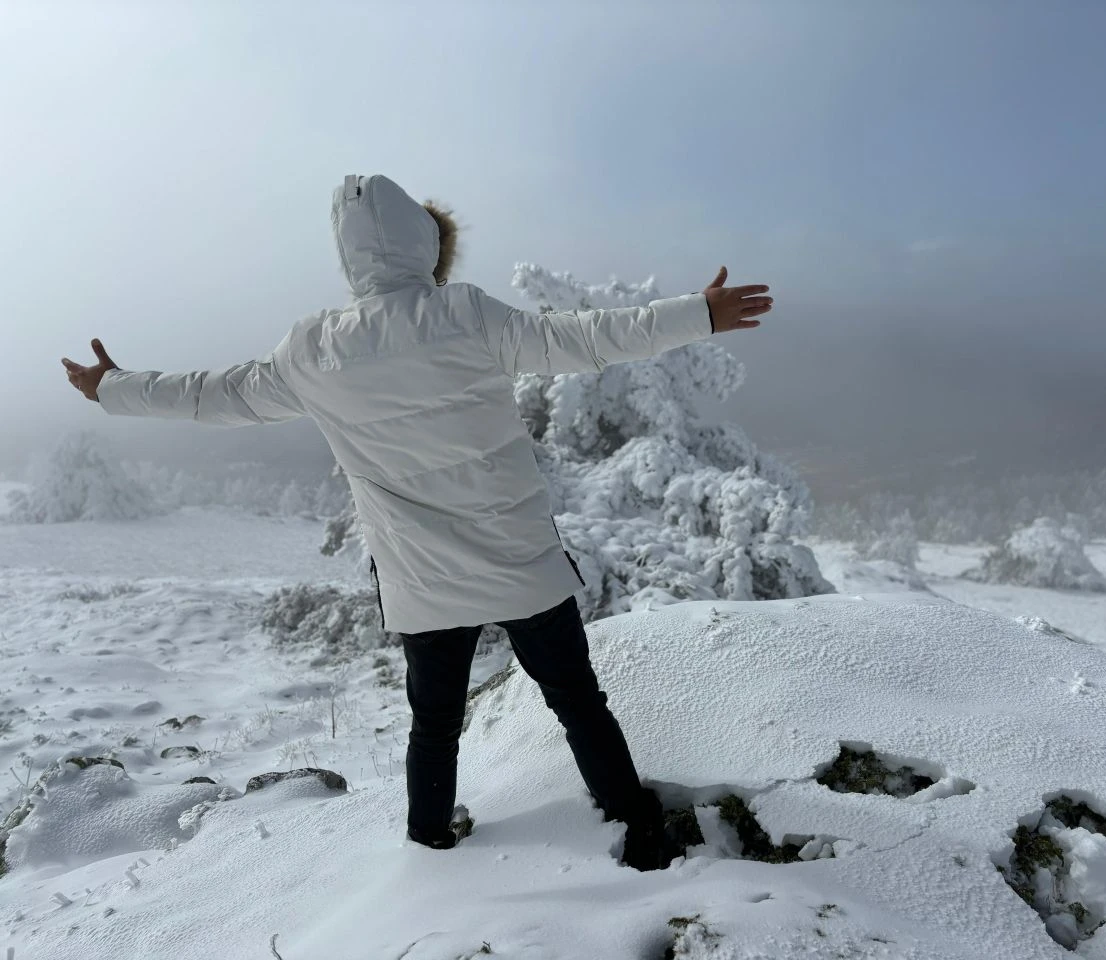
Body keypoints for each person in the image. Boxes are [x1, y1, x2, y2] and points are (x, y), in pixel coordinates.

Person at [61, 174, 772, 870]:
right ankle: (637, 827)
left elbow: (208, 397)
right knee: (580, 706)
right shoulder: (465, 313)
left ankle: (430, 846)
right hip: (520, 562)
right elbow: (585, 337)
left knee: (434, 726)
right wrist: (699, 313)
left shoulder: (313, 350)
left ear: (348, 256)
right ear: (427, 245)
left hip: (422, 579)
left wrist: (113, 389)